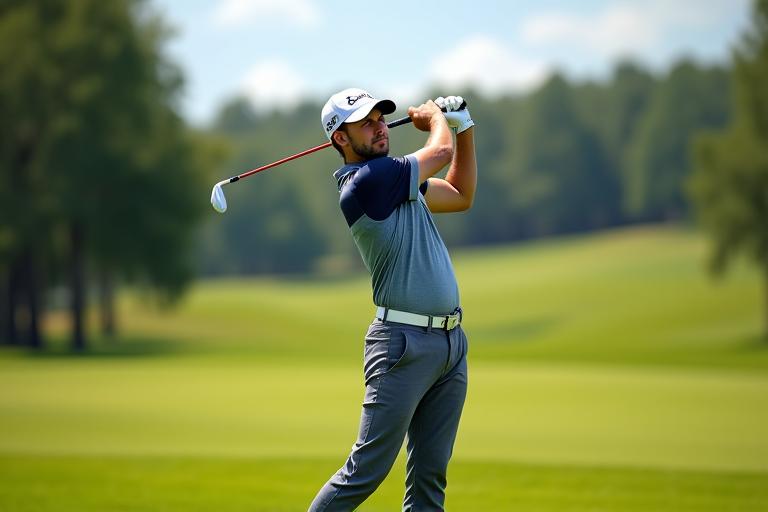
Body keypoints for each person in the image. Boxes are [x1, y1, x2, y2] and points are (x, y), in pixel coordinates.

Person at [309, 88, 477, 511]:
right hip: (402, 345)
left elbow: (459, 196)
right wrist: (438, 118)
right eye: (366, 122)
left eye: (381, 118)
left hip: (449, 346)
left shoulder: (400, 183)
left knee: (429, 480)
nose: (380, 126)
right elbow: (439, 151)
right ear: (340, 140)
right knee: (364, 472)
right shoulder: (368, 182)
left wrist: (465, 128)